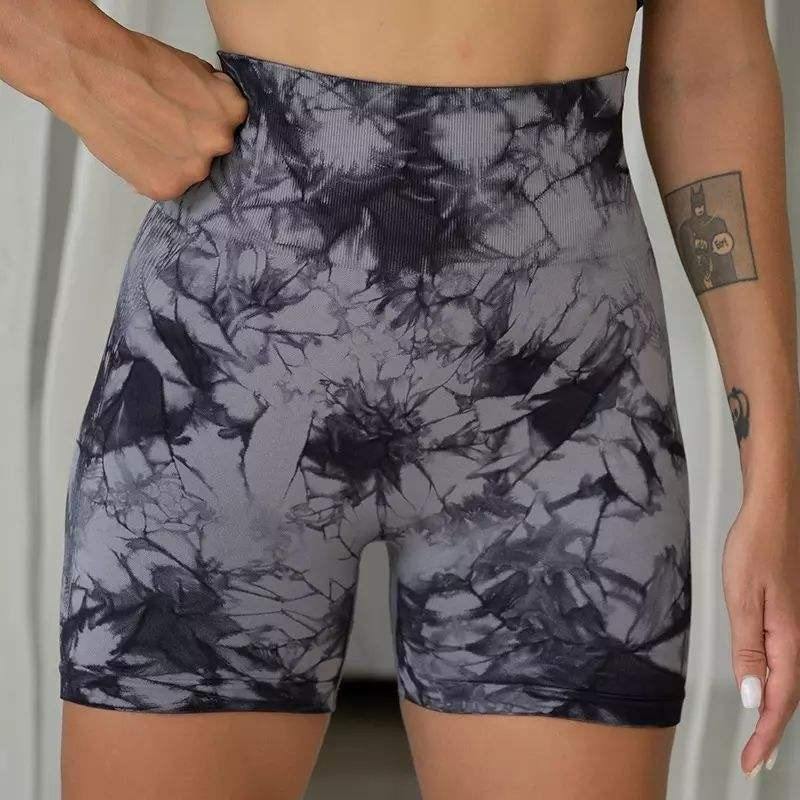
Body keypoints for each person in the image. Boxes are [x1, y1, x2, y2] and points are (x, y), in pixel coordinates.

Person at [2, 1, 799, 798]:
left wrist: (776, 478)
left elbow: (708, 73)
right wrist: (70, 55)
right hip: (228, 379)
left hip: (566, 410)